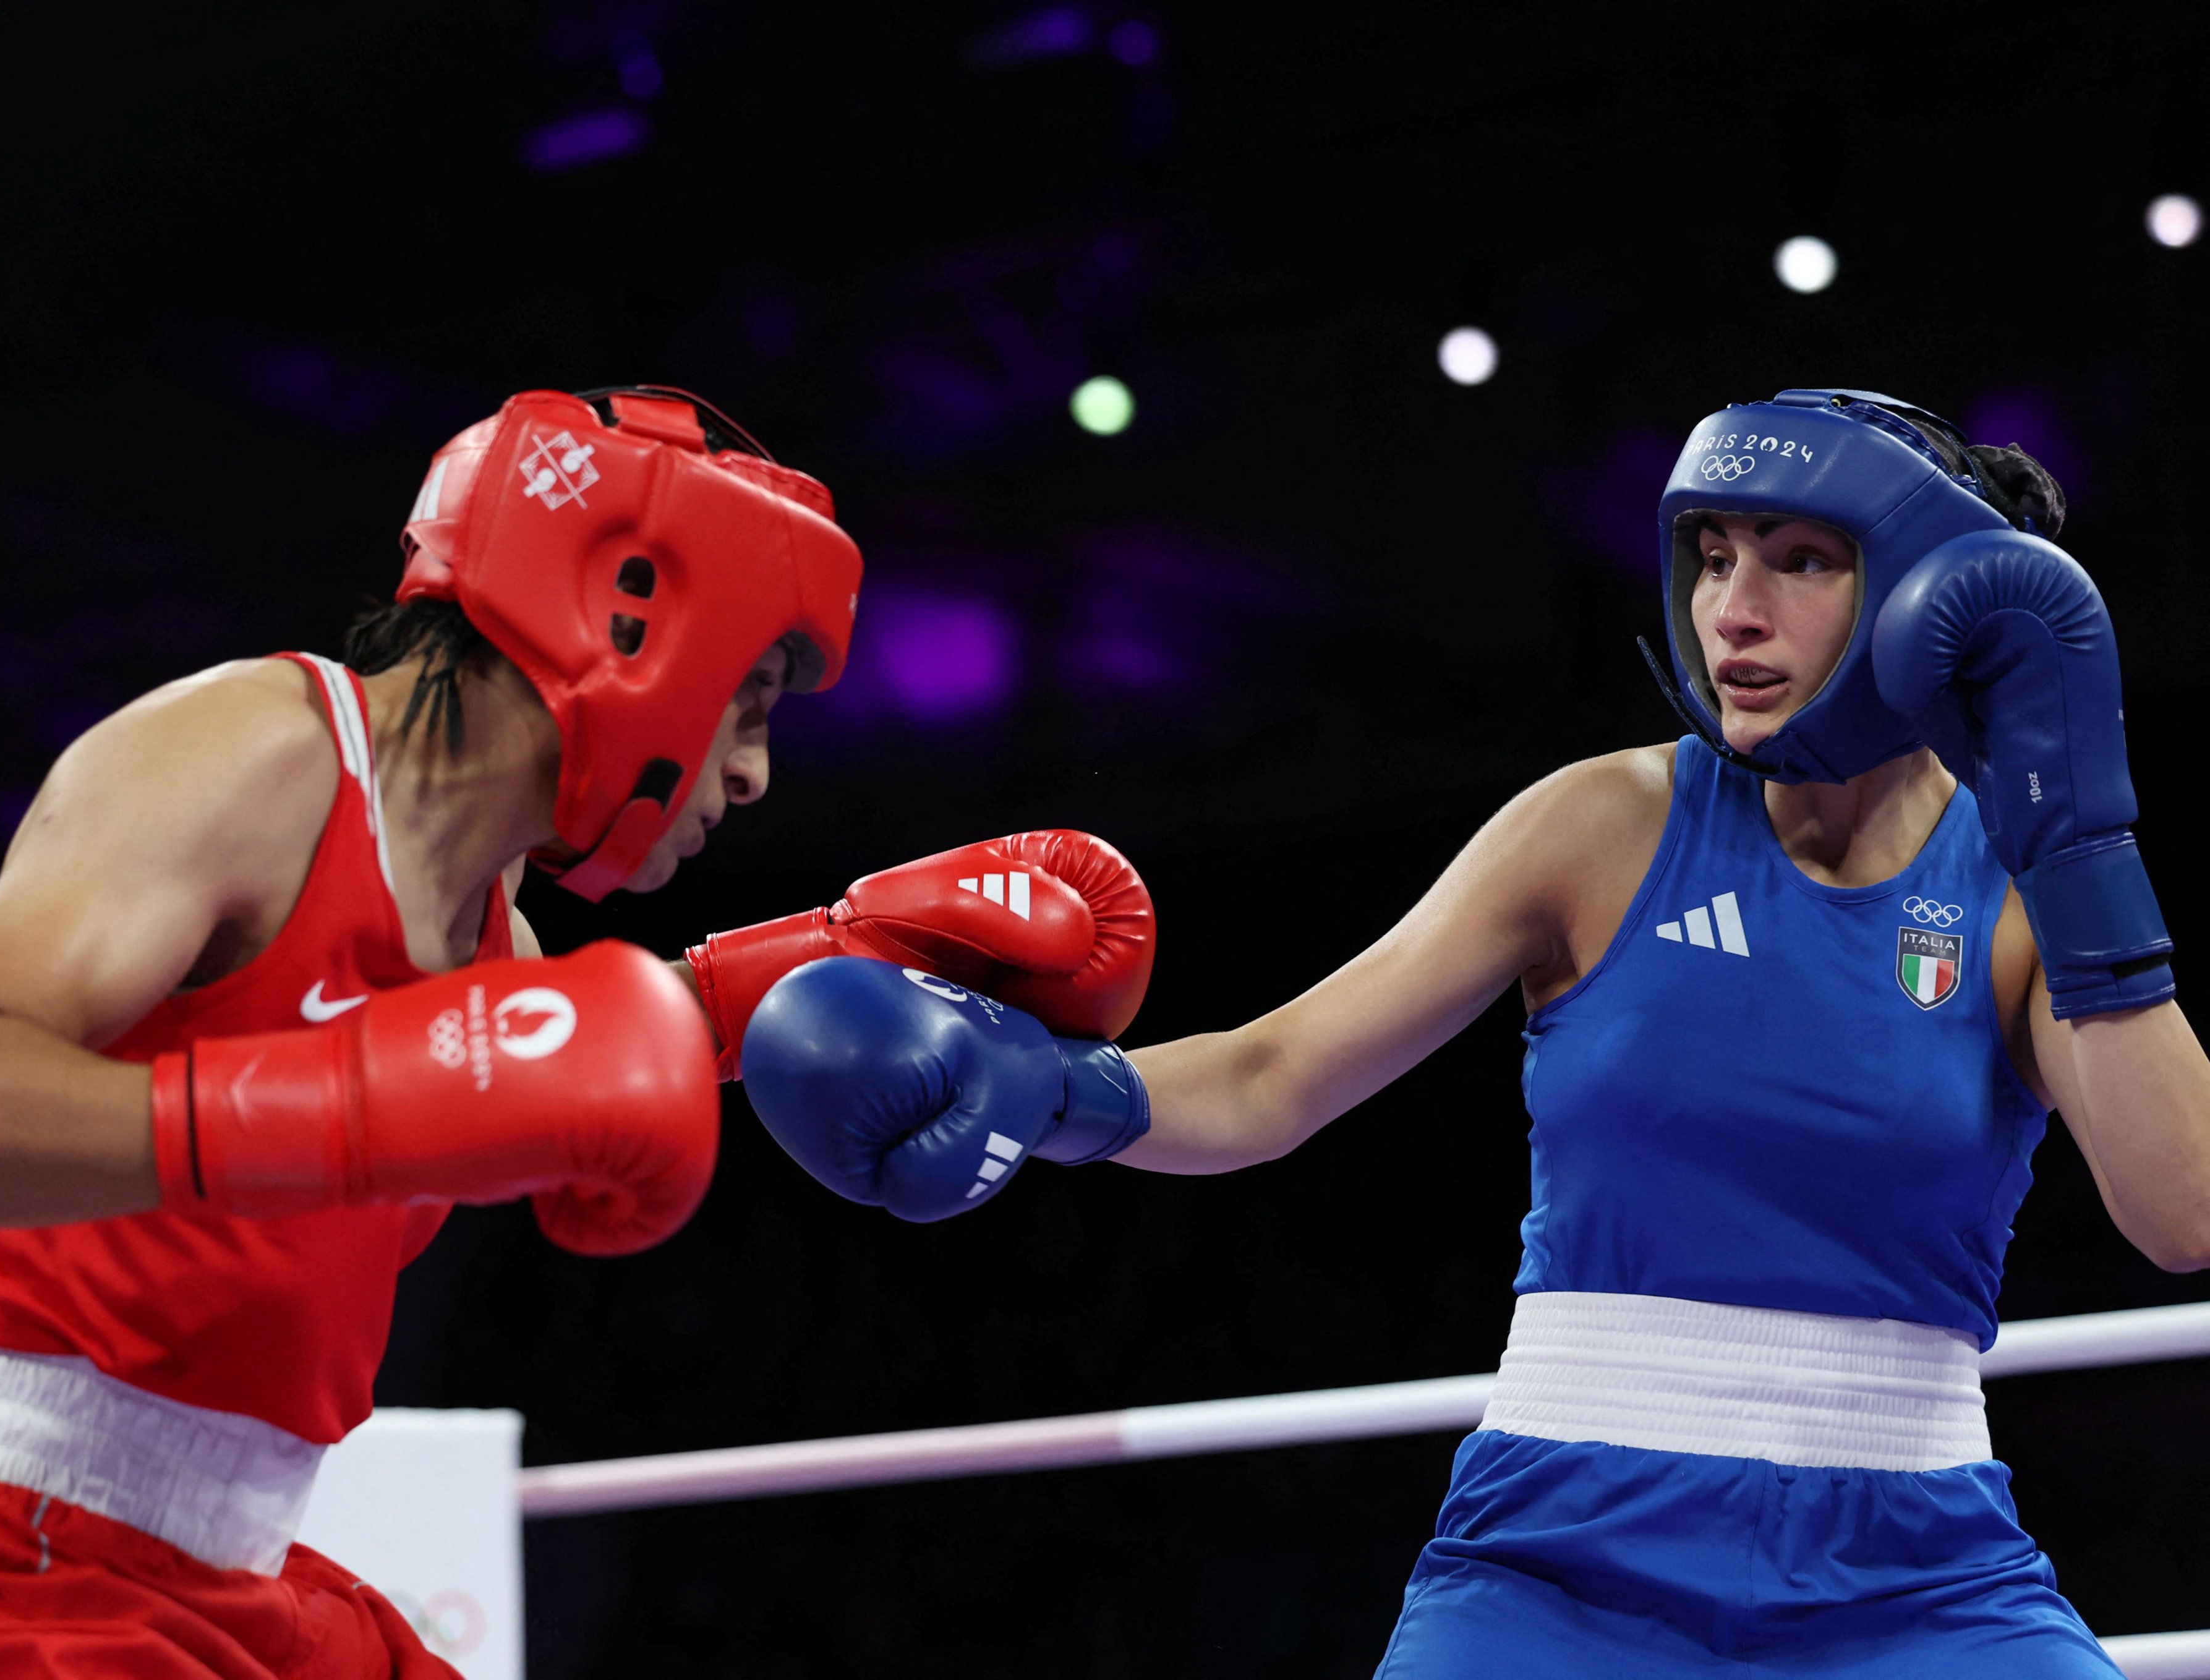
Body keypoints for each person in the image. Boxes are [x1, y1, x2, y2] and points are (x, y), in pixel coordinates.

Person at [741, 390, 2210, 1674]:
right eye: (1712, 556)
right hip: (1565, 1563)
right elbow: (1272, 1076)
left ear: (1931, 600)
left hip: (1917, 1574)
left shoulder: (2018, 888)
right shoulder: (1602, 826)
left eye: (1801, 562)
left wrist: (2079, 849)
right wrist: (1046, 1088)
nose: (1730, 613)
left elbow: (2180, 1213)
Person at [0, 385, 1154, 1679]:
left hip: (217, 1581)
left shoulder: (499, 937)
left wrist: (822, 957)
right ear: (634, 619)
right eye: (752, 698)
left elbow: (536, 1060)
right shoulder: (255, 754)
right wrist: (344, 1104)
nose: (750, 769)